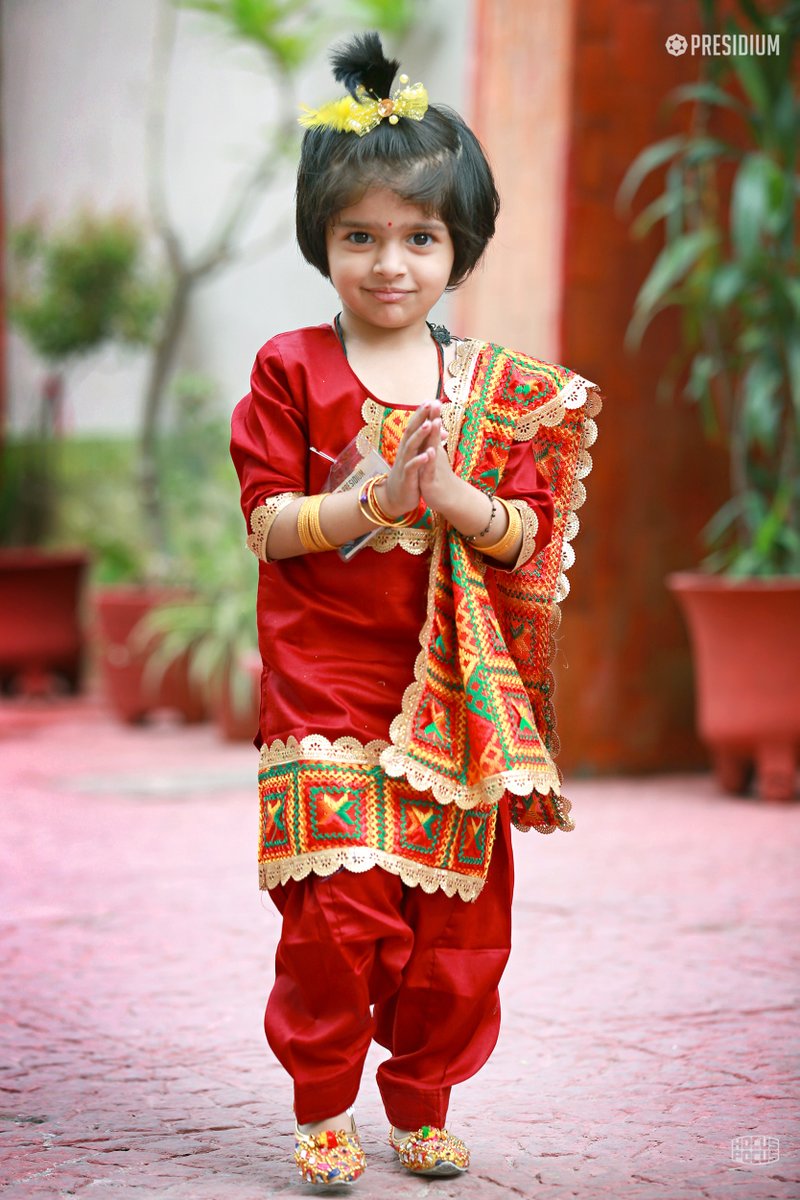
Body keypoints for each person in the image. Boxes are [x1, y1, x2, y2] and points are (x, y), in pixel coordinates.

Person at [230, 31, 601, 1188]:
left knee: (455, 937)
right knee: (336, 922)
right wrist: (367, 504)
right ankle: (323, 1107)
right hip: (325, 691)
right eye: (359, 237)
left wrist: (449, 497)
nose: (389, 264)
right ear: (322, 243)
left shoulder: (499, 394)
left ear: (457, 246)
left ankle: (425, 1098)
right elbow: (266, 526)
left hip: (454, 707)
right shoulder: (291, 369)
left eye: (419, 237)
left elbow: (526, 537)